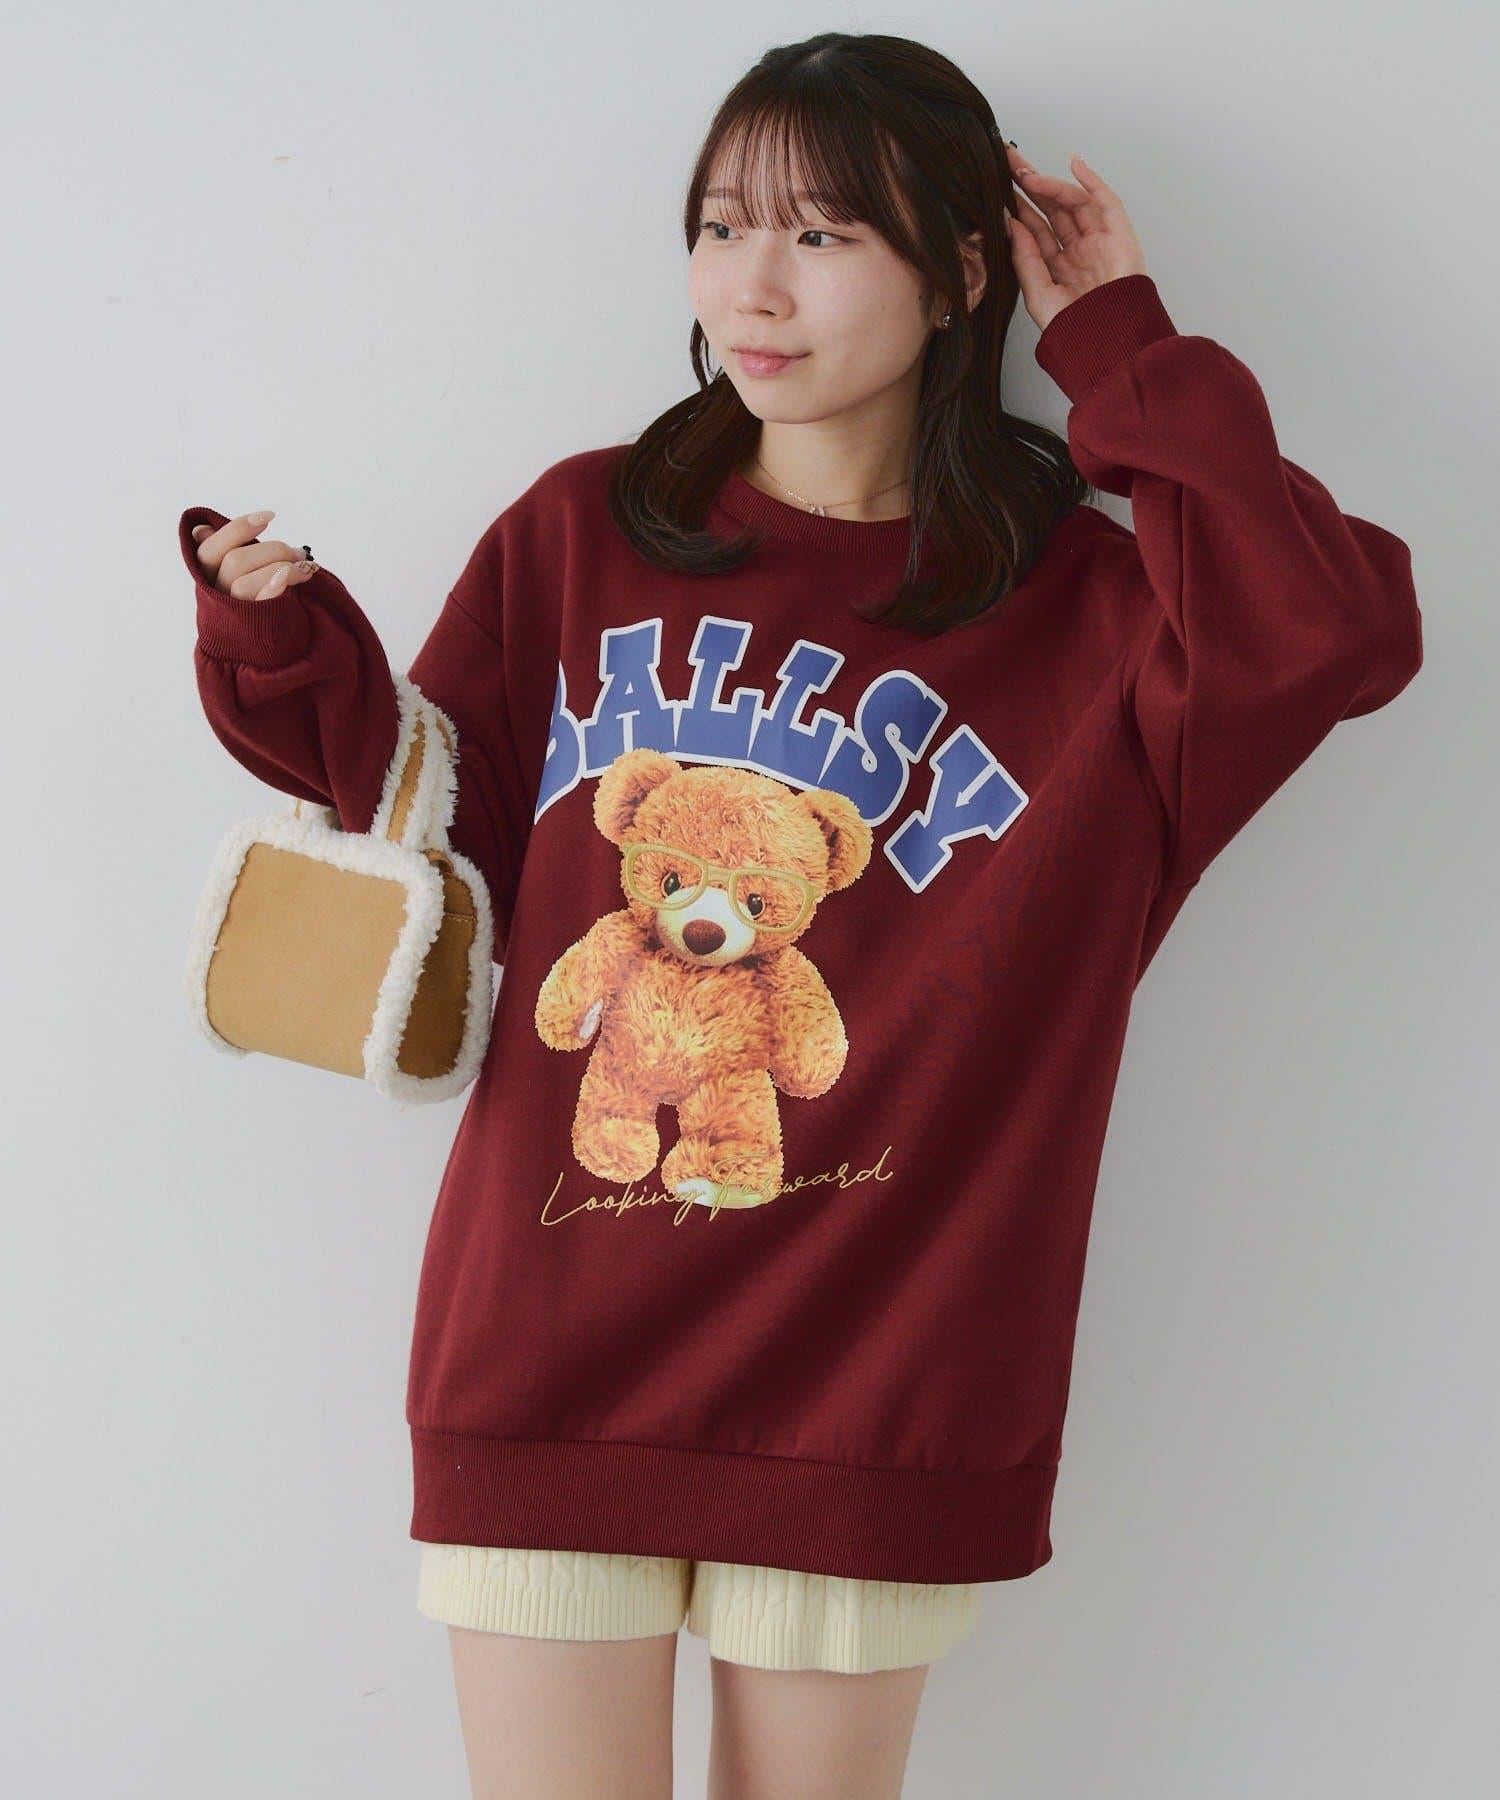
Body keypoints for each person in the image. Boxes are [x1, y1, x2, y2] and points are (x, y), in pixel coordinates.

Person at [180, 30, 1423, 1800]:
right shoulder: (580, 534)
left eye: (825, 236)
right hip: (550, 1338)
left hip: (885, 1376)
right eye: (721, 226)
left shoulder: (1102, 615)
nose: (751, 288)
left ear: (963, 274)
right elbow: (435, 827)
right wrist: (285, 650)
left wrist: (1120, 346)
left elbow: (1332, 632)